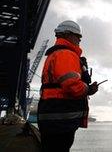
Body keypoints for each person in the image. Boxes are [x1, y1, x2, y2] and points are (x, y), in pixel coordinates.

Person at [37, 20, 98, 152]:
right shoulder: (66, 54)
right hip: (61, 117)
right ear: (67, 34)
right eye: (78, 36)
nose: (79, 40)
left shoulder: (55, 53)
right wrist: (89, 89)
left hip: (52, 115)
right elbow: (71, 85)